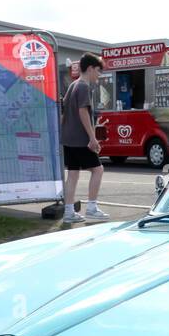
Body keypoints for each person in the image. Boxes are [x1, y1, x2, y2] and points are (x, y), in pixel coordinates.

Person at [60, 52, 107, 224]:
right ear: (90, 68)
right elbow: (83, 112)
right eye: (98, 70)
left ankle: (69, 211)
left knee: (72, 174)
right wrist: (92, 138)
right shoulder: (84, 87)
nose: (99, 74)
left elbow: (64, 110)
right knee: (98, 170)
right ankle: (92, 208)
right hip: (80, 140)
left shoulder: (73, 85)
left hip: (68, 139)